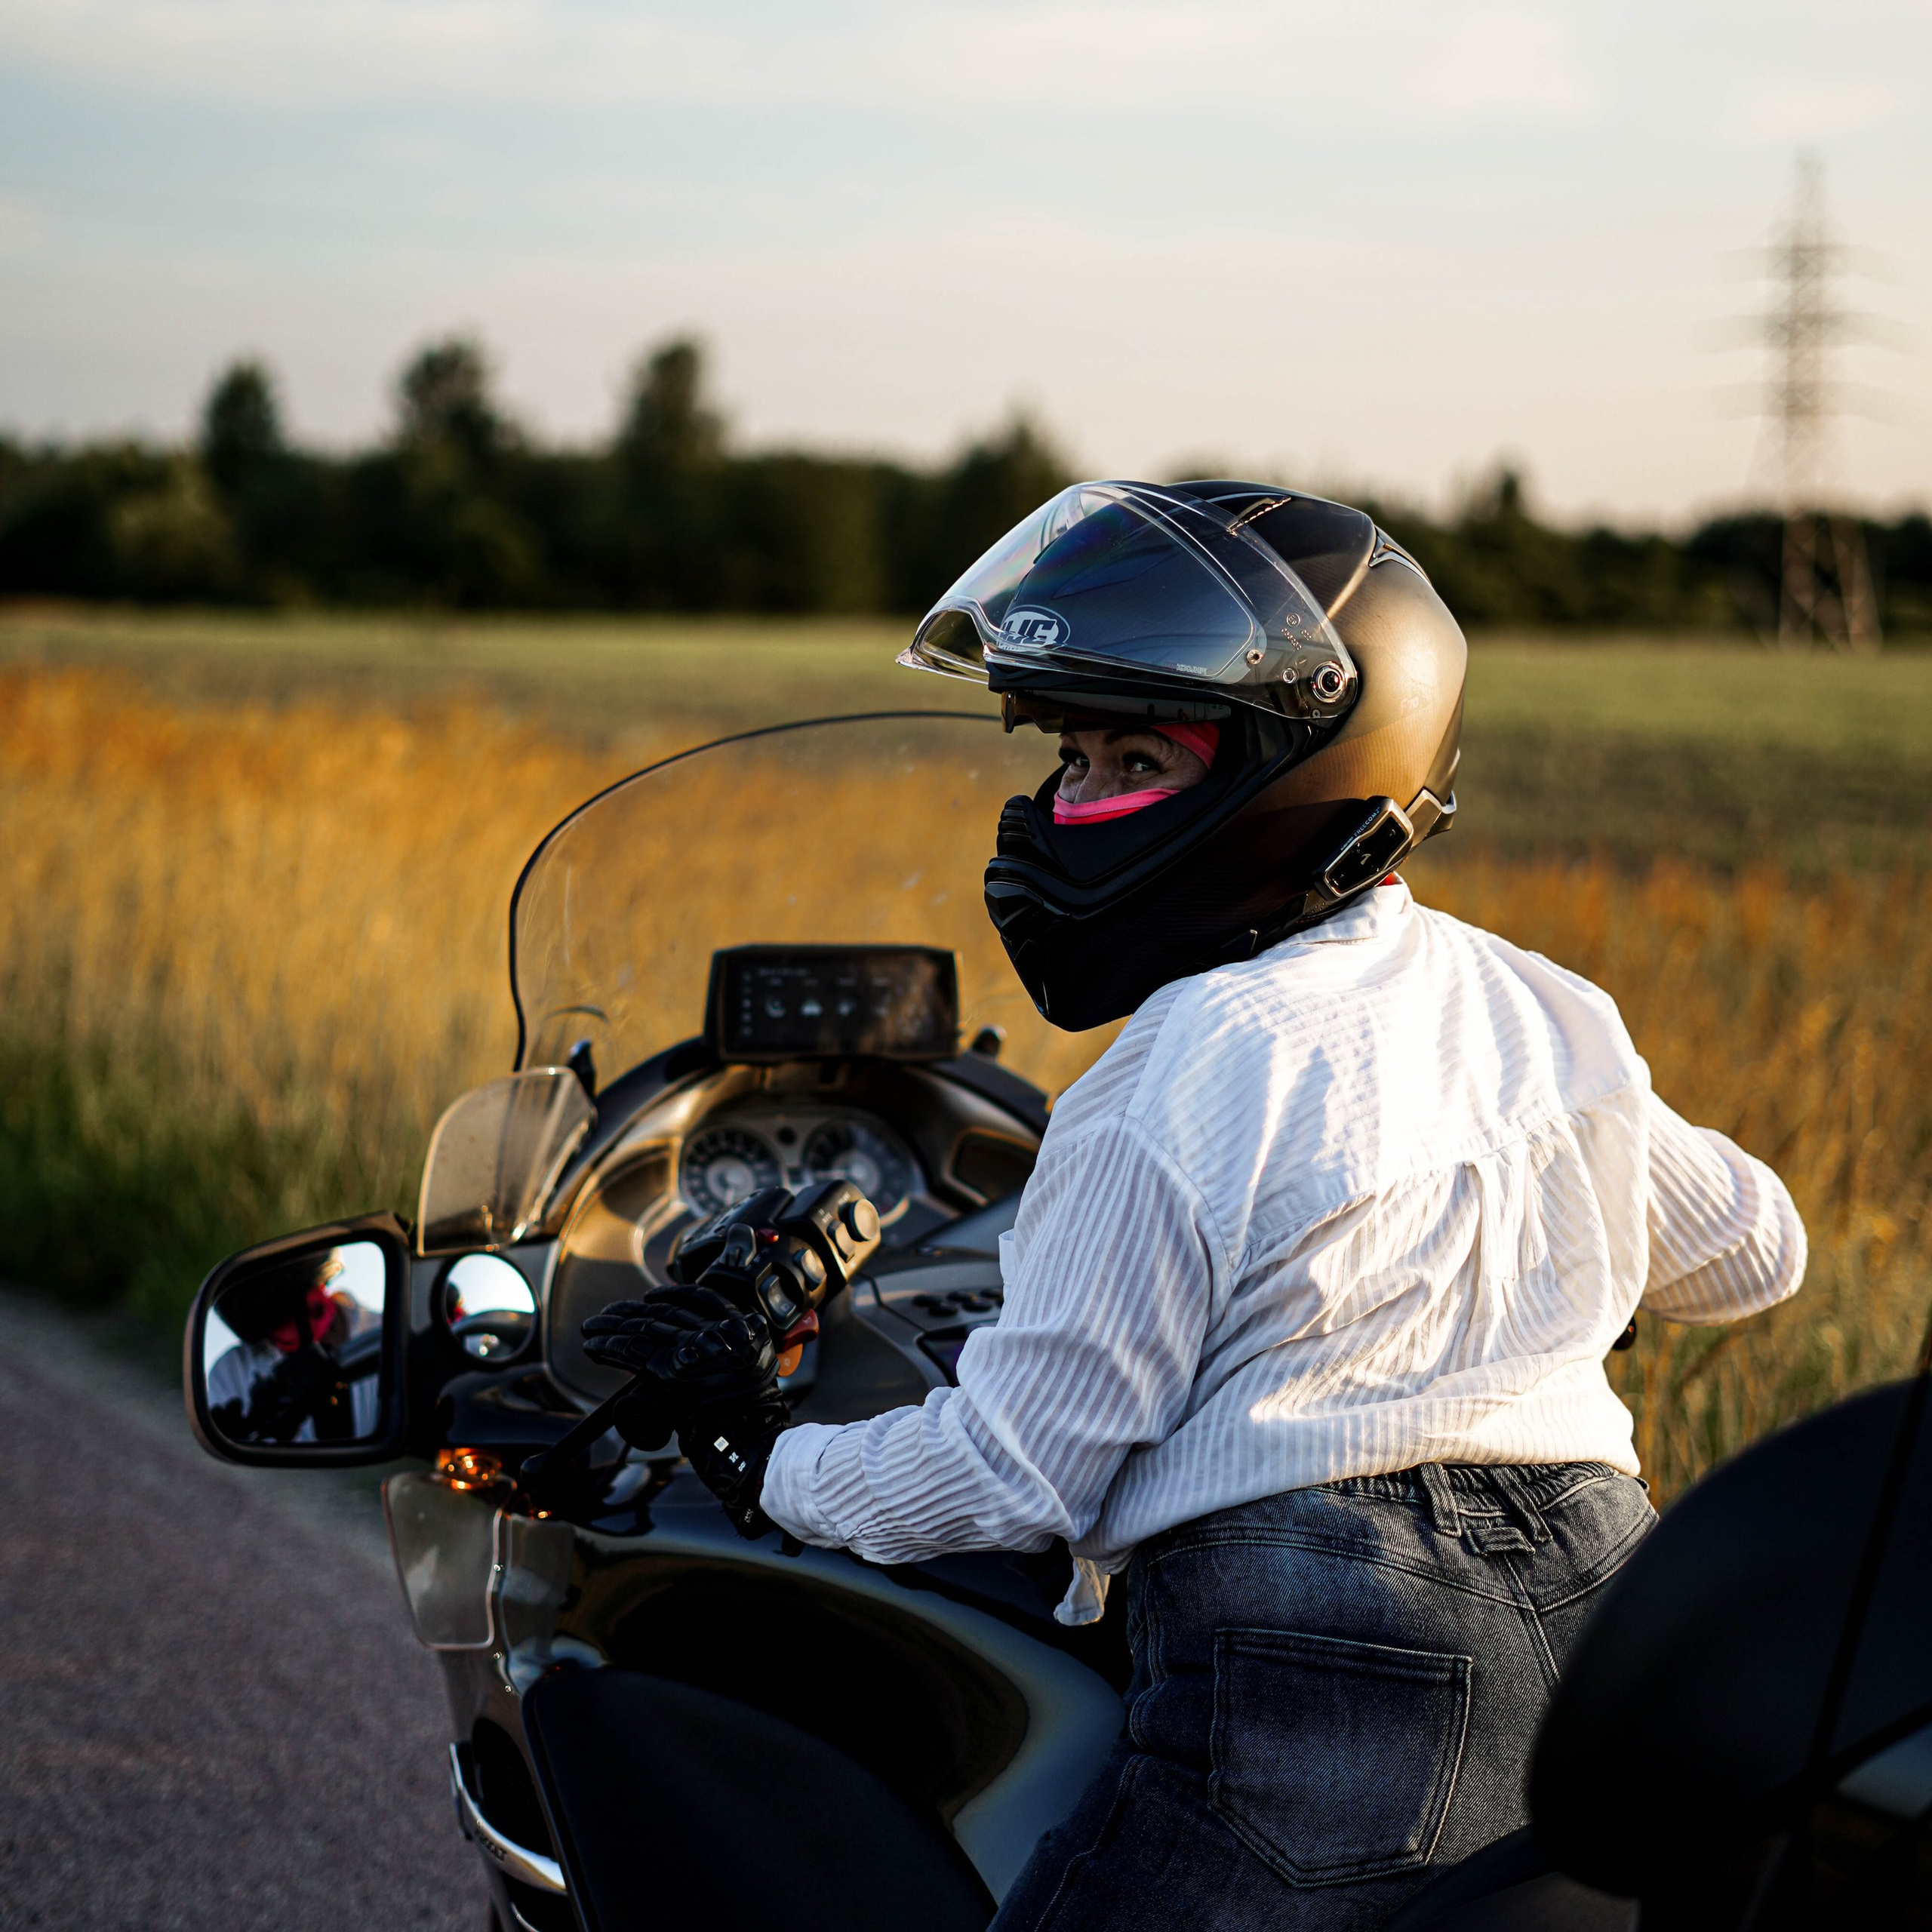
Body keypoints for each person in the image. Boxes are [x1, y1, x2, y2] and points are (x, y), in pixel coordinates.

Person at [583, 481, 1806, 1929]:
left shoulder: (1167, 1075)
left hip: (1331, 1668)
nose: (1062, 808)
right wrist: (1509, 1260)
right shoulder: (1544, 1008)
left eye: (1135, 757)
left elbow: (1014, 1481)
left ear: (1296, 772)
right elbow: (1757, 1254)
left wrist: (764, 1453)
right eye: (1070, 753)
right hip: (1616, 1633)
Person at [208, 1249, 381, 1444]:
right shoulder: (233, 1371)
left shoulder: (387, 1336)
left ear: (322, 1286)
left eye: (311, 1311)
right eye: (278, 1321)